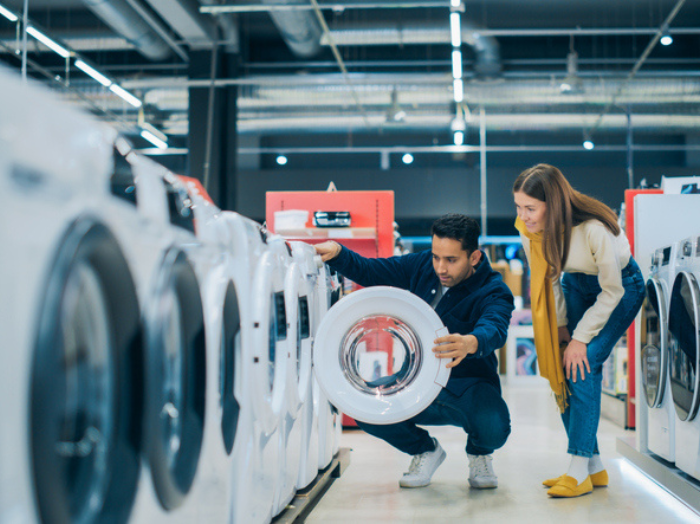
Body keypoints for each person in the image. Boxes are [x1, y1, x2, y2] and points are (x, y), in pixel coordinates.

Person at [314, 213, 514, 489]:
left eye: (451, 260)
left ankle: (479, 453)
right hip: (416, 381)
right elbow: (373, 271)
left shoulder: (494, 290)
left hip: (468, 386)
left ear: (475, 258)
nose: (441, 267)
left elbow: (495, 327)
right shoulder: (422, 265)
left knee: (495, 427)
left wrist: (472, 342)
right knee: (363, 407)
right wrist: (338, 253)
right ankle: (425, 450)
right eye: (436, 256)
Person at [512, 164, 645, 498]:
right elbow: (549, 279)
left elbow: (612, 291)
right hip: (575, 283)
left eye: (530, 208)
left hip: (621, 288)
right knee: (562, 365)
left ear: (552, 204)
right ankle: (594, 468)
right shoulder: (533, 232)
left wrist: (581, 338)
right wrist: (560, 328)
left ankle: (577, 469)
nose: (523, 216)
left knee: (582, 366)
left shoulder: (594, 228)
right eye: (518, 207)